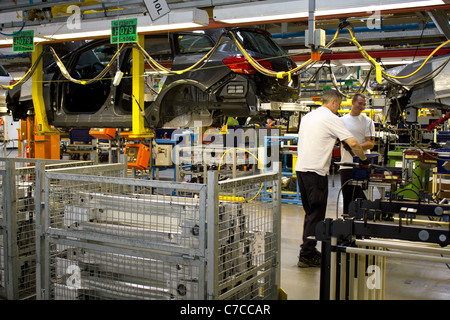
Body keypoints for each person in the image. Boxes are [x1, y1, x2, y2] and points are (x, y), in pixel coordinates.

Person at [295, 89, 368, 268]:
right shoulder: (330, 118)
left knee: (310, 213)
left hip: (301, 170)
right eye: (339, 105)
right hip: (316, 171)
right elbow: (352, 142)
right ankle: (306, 254)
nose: (339, 109)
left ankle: (308, 248)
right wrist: (364, 160)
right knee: (316, 214)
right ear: (334, 102)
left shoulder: (308, 117)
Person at [339, 93, 375, 215]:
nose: (362, 106)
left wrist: (354, 146)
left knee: (362, 199)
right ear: (352, 102)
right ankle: (346, 227)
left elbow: (370, 143)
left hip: (362, 165)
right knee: (347, 199)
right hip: (346, 165)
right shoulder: (341, 120)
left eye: (364, 104)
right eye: (360, 103)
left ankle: (362, 227)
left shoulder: (368, 121)